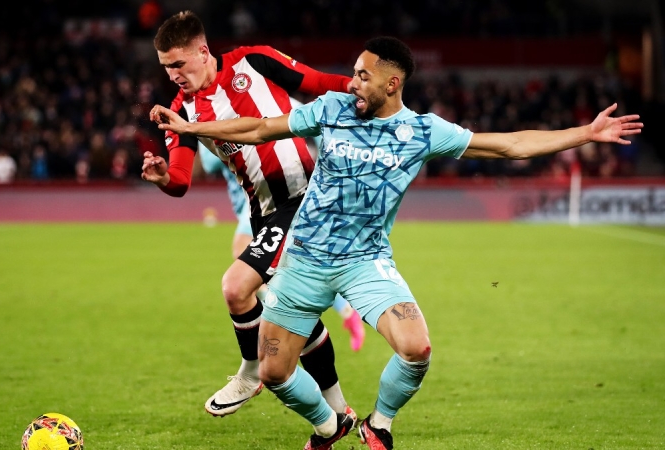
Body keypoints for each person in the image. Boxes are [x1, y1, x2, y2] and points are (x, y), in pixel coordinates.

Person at [150, 36, 643, 449]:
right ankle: (330, 425)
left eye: (362, 76)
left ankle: (379, 425)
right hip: (303, 259)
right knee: (274, 374)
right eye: (353, 73)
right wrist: (190, 127)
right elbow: (259, 128)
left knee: (417, 348)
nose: (351, 83)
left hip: (366, 262)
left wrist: (586, 133)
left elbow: (510, 145)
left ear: (392, 83)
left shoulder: (423, 131)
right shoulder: (333, 109)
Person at [141, 10, 358, 420]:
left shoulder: (252, 61)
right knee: (292, 310)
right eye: (166, 67)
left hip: (306, 198)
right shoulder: (181, 110)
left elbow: (315, 82)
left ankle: (252, 369)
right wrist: (162, 176)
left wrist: (358, 88)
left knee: (236, 288)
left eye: (178, 64)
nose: (172, 75)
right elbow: (181, 181)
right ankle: (338, 413)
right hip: (265, 212)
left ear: (202, 52)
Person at [199, 142, 366, 351]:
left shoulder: (225, 126)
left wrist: (207, 135)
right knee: (296, 267)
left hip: (263, 197)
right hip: (255, 200)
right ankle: (346, 311)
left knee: (243, 259)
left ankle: (282, 310)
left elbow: (210, 164)